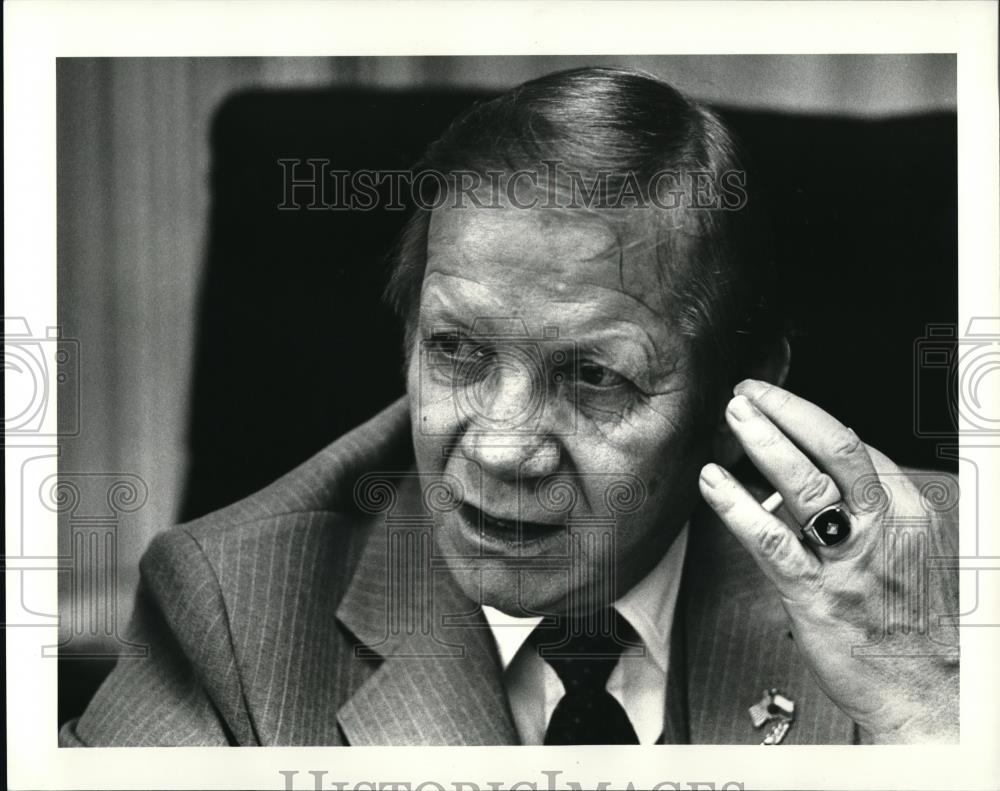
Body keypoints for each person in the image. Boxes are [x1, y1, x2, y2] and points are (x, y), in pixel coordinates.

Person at [60, 67, 958, 747]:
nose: (500, 447)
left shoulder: (945, 577)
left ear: (741, 398)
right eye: (456, 350)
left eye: (593, 377)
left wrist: (928, 718)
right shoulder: (231, 611)